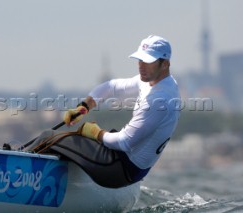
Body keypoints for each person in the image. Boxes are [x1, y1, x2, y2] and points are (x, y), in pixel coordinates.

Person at [63, 35, 180, 184]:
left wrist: (96, 133)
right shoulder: (157, 80)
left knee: (59, 139)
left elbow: (125, 142)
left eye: (148, 61)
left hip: (125, 170)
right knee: (73, 140)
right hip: (125, 160)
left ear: (165, 64)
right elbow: (112, 87)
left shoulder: (159, 100)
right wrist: (84, 107)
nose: (141, 66)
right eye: (140, 59)